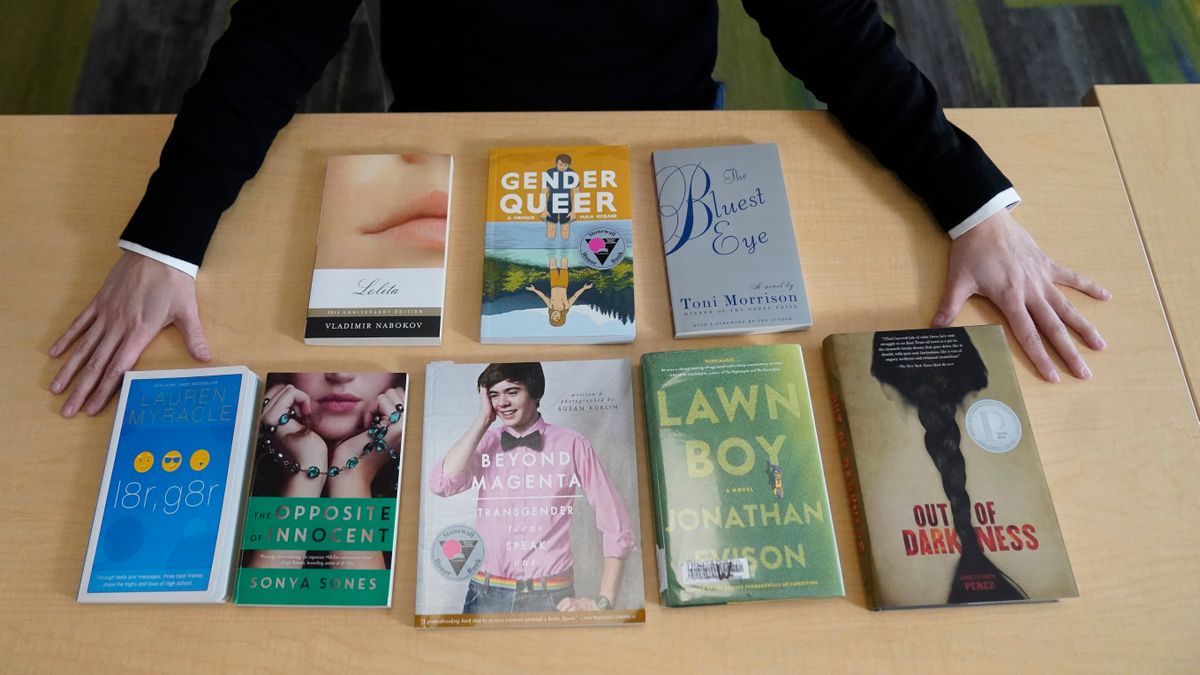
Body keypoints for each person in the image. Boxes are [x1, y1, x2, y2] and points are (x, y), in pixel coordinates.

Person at [47, 0, 1109, 417]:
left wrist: (976, 203)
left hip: (659, 137)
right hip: (446, 139)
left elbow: (837, 34)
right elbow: (278, 34)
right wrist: (165, 240)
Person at [427, 362, 634, 614]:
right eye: (494, 395)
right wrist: (482, 421)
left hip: (551, 597)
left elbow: (616, 522)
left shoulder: (573, 444)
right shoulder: (485, 442)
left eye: (512, 391)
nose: (502, 402)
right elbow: (441, 484)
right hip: (484, 594)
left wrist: (603, 601)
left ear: (535, 393)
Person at [245, 371, 406, 570]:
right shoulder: (240, 469)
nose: (340, 374)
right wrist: (303, 479)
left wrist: (353, 474)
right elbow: (261, 595)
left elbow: (361, 599)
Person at [525, 257, 593, 328]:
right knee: (564, 265)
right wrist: (584, 288)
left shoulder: (551, 305)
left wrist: (534, 290)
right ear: (562, 317)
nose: (554, 316)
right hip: (563, 284)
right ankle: (564, 252)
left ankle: (552, 252)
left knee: (552, 266)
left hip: (553, 285)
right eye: (557, 318)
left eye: (552, 318)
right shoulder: (566, 306)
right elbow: (575, 296)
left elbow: (543, 296)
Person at [540, 153, 578, 240]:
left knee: (565, 228)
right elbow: (543, 192)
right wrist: (544, 209)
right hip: (552, 202)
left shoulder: (572, 174)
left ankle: (565, 251)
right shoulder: (549, 173)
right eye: (560, 164)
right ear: (556, 163)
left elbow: (576, 193)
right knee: (550, 228)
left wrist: (573, 211)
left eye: (565, 165)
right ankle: (550, 252)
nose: (563, 167)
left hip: (566, 203)